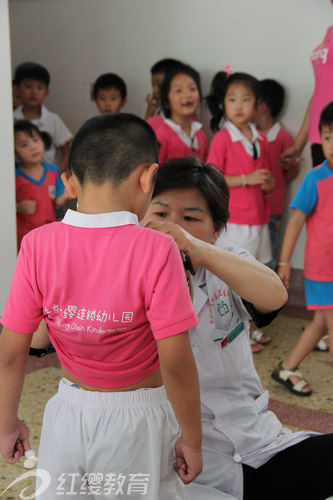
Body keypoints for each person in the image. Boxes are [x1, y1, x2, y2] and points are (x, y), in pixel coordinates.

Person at [0, 114, 203, 499]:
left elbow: (12, 352)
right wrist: (192, 439)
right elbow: (176, 361)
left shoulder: (37, 244)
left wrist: (5, 423)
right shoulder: (158, 249)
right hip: (139, 419)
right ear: (147, 178)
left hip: (66, 412)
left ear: (69, 182)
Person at [143, 156, 333, 500]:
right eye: (160, 214)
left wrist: (197, 249)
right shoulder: (126, 276)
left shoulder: (225, 261)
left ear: (216, 230)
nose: (173, 227)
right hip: (180, 460)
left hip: (256, 442)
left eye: (190, 218)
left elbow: (273, 296)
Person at [206, 71, 274, 351]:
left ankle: (248, 326)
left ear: (256, 104)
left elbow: (265, 178)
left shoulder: (261, 138)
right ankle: (235, 333)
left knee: (256, 273)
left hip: (259, 219)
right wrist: (247, 179)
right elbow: (212, 176)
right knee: (236, 278)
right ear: (223, 103)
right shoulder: (222, 138)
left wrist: (266, 182)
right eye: (232, 99)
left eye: (245, 99)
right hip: (236, 219)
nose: (238, 105)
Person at [272, 101, 333, 397]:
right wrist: (284, 262)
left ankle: (287, 367)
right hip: (323, 269)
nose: (332, 144)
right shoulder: (316, 179)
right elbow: (296, 220)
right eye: (328, 137)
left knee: (321, 322)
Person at [254, 79, 300, 270]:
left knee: (270, 250)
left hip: (272, 209)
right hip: (252, 209)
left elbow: (294, 167)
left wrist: (278, 185)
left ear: (262, 106)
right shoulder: (251, 135)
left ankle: (270, 293)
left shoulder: (283, 137)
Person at [280, 23, 333, 169]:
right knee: (322, 191)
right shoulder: (330, 32)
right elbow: (320, 92)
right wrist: (298, 144)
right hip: (322, 138)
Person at [14, 120, 68, 252]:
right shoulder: (14, 176)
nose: (33, 147)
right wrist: (18, 207)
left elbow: (58, 201)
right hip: (23, 236)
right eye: (24, 145)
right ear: (14, 153)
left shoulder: (52, 170)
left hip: (48, 234)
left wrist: (68, 193)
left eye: (35, 140)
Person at [13, 62, 72, 172]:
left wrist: (56, 176)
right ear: (16, 89)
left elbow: (67, 152)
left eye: (39, 88)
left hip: (50, 184)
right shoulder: (11, 120)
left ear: (46, 92)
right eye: (28, 86)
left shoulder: (53, 119)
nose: (34, 91)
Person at [148, 64, 208, 163]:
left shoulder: (201, 135)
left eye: (192, 89)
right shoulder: (161, 136)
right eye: (178, 90)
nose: (187, 95)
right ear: (166, 102)